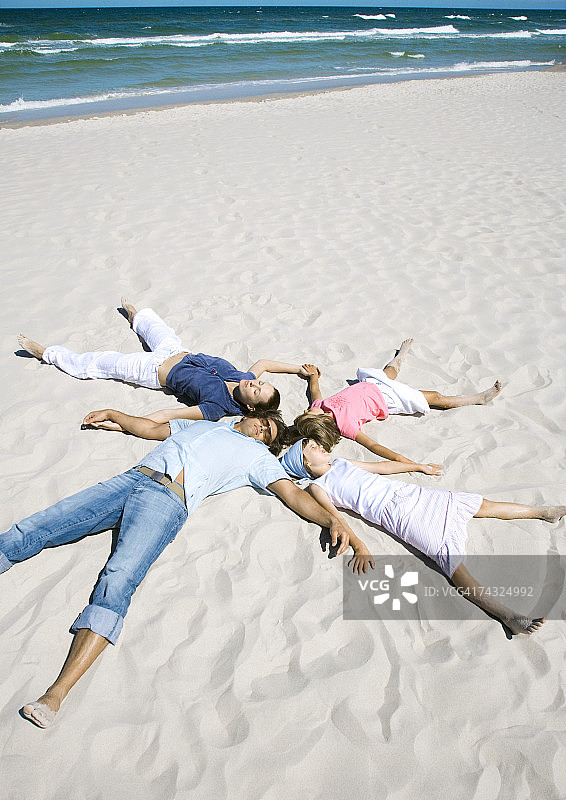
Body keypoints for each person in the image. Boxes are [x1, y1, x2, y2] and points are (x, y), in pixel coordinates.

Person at [1, 409, 354, 729]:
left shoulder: (258, 458)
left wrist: (331, 520)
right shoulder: (204, 425)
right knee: (43, 524)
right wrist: (115, 415)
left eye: (269, 434)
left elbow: (291, 494)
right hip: (129, 480)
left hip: (167, 500)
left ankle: (56, 693)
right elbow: (152, 427)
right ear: (250, 415)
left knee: (119, 578)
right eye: (264, 423)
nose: (264, 430)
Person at [279, 438, 566, 635]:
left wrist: (417, 466)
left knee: (480, 504)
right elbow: (336, 519)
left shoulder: (341, 463)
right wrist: (360, 544)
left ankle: (543, 511)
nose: (319, 446)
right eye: (312, 448)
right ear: (306, 464)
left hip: (412, 494)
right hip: (399, 515)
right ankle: (508, 616)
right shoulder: (318, 487)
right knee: (453, 567)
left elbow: (382, 468)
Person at [18, 298, 316, 422]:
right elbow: (263, 362)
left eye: (256, 390)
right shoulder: (242, 377)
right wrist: (299, 370)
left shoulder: (217, 408)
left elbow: (170, 416)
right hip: (175, 349)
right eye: (260, 383)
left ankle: (47, 353)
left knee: (102, 363)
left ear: (250, 406)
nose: (255, 382)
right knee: (155, 325)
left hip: (153, 370)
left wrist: (122, 421)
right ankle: (136, 317)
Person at [293, 339, 501, 464]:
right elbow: (373, 445)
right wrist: (403, 460)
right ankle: (479, 398)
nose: (307, 409)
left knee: (390, 370)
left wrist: (313, 376)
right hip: (387, 399)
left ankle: (403, 353)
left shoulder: (318, 407)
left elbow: (315, 392)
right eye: (307, 413)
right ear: (320, 421)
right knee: (435, 397)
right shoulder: (345, 426)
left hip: (374, 383)